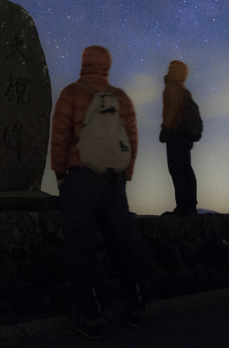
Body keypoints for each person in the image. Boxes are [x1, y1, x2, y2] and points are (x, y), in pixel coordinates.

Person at [51, 45, 147, 339]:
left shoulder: (72, 93)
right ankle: (137, 306)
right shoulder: (121, 98)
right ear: (107, 65)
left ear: (83, 64)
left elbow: (60, 135)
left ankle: (91, 315)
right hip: (113, 182)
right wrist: (126, 175)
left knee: (81, 247)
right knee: (122, 244)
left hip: (80, 178)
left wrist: (60, 173)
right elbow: (131, 139)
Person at [160, 60, 197, 214]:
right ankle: (190, 205)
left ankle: (183, 206)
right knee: (186, 169)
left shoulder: (172, 87)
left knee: (177, 170)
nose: (168, 69)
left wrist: (165, 129)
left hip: (175, 133)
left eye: (171, 67)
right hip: (186, 135)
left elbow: (172, 108)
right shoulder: (184, 89)